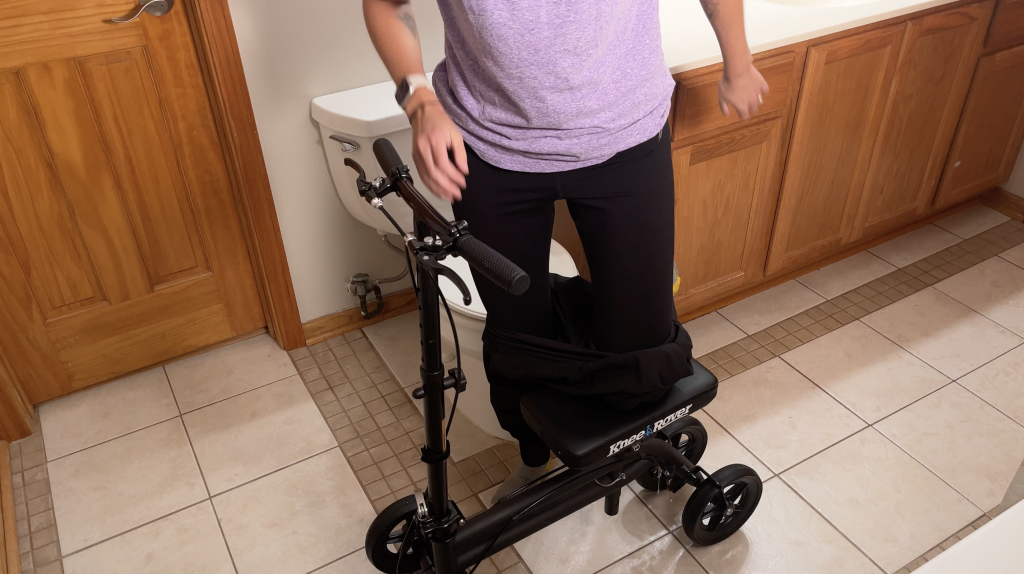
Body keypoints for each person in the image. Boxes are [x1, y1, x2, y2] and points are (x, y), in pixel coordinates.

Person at [363, 0, 767, 502]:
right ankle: (534, 458)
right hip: (489, 148)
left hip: (626, 133)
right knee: (518, 335)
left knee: (641, 336)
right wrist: (419, 98)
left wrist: (738, 59)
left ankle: (632, 445)